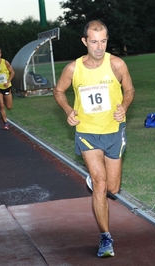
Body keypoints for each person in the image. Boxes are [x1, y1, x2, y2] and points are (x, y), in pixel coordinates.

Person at [53, 20, 135, 258]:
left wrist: (125, 106)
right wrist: (69, 110)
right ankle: (105, 237)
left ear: (107, 40)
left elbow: (129, 89)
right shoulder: (73, 69)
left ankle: (95, 178)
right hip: (87, 133)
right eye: (94, 41)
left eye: (103, 41)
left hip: (113, 132)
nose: (99, 47)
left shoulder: (117, 64)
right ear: (85, 41)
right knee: (100, 184)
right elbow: (58, 91)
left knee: (112, 187)